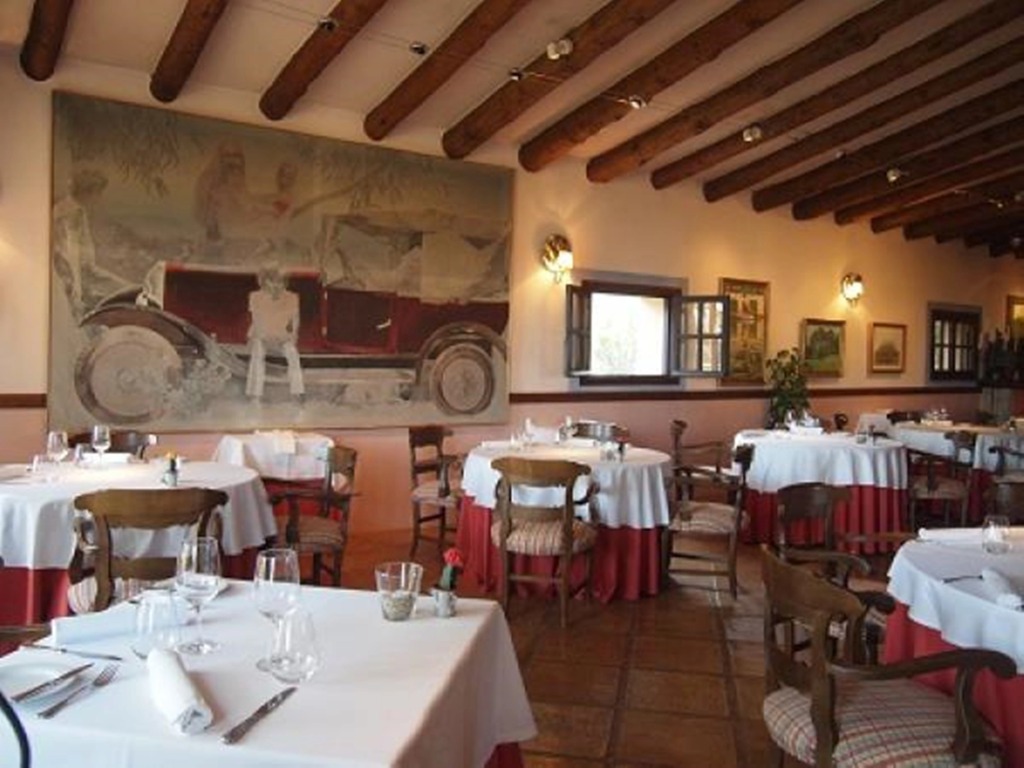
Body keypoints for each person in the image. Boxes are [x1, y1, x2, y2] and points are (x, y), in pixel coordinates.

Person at [245, 265, 305, 401]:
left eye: (280, 281)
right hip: (262, 335)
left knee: (293, 354)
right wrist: (264, 337)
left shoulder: (292, 298)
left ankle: (297, 393)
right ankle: (255, 394)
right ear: (264, 282)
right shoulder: (255, 297)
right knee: (258, 352)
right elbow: (257, 322)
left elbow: (294, 323)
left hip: (282, 337)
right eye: (273, 281)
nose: (277, 285)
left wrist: (290, 338)